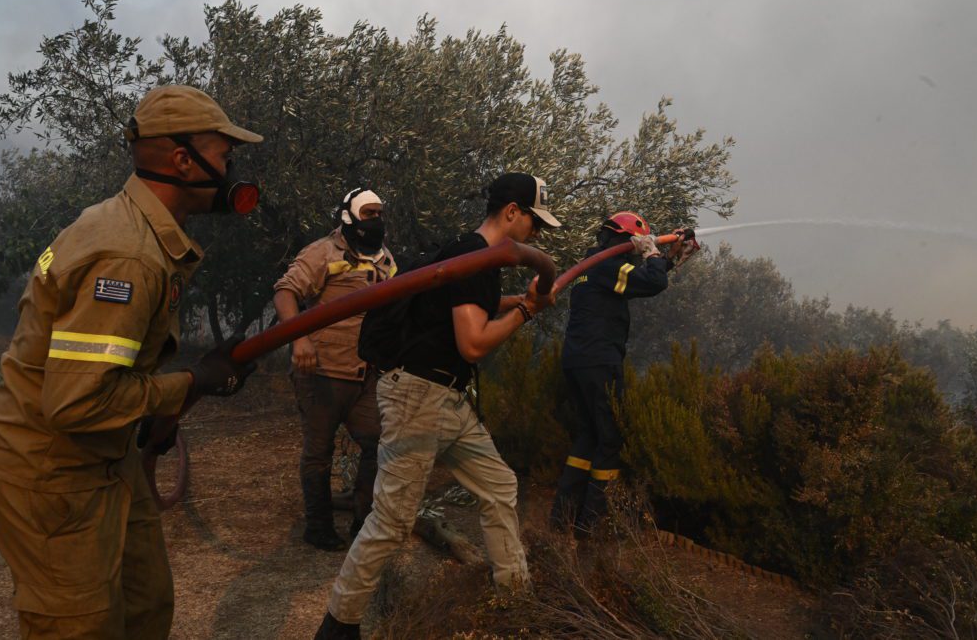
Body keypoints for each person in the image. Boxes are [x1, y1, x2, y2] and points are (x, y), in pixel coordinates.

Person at [0, 85, 261, 639]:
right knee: (82, 628)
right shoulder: (126, 256)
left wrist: (155, 407)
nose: (231, 171)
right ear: (183, 160)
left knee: (146, 605)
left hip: (104, 459)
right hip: (50, 476)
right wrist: (192, 382)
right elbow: (77, 403)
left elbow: (105, 365)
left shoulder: (135, 228)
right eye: (225, 156)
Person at [314, 172, 562, 639]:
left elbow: (468, 306)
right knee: (393, 519)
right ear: (512, 212)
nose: (537, 234)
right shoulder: (475, 258)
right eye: (535, 222)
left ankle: (515, 600)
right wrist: (526, 312)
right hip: (418, 396)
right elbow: (473, 343)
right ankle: (337, 626)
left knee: (499, 485)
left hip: (445, 398)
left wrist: (521, 299)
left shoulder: (475, 259)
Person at [549, 211, 695, 539]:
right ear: (627, 239)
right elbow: (652, 282)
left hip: (577, 361)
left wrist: (670, 257)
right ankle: (591, 525)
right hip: (600, 362)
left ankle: (562, 519)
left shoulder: (593, 267)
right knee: (610, 439)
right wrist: (653, 253)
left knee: (589, 436)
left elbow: (640, 281)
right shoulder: (607, 266)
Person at [273, 187, 397, 551]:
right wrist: (299, 339)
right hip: (323, 373)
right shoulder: (322, 252)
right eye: (368, 214)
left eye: (379, 214)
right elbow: (285, 291)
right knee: (319, 450)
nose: (376, 221)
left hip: (365, 374)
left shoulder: (385, 259)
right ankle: (318, 526)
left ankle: (363, 521)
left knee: (378, 444)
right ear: (349, 216)